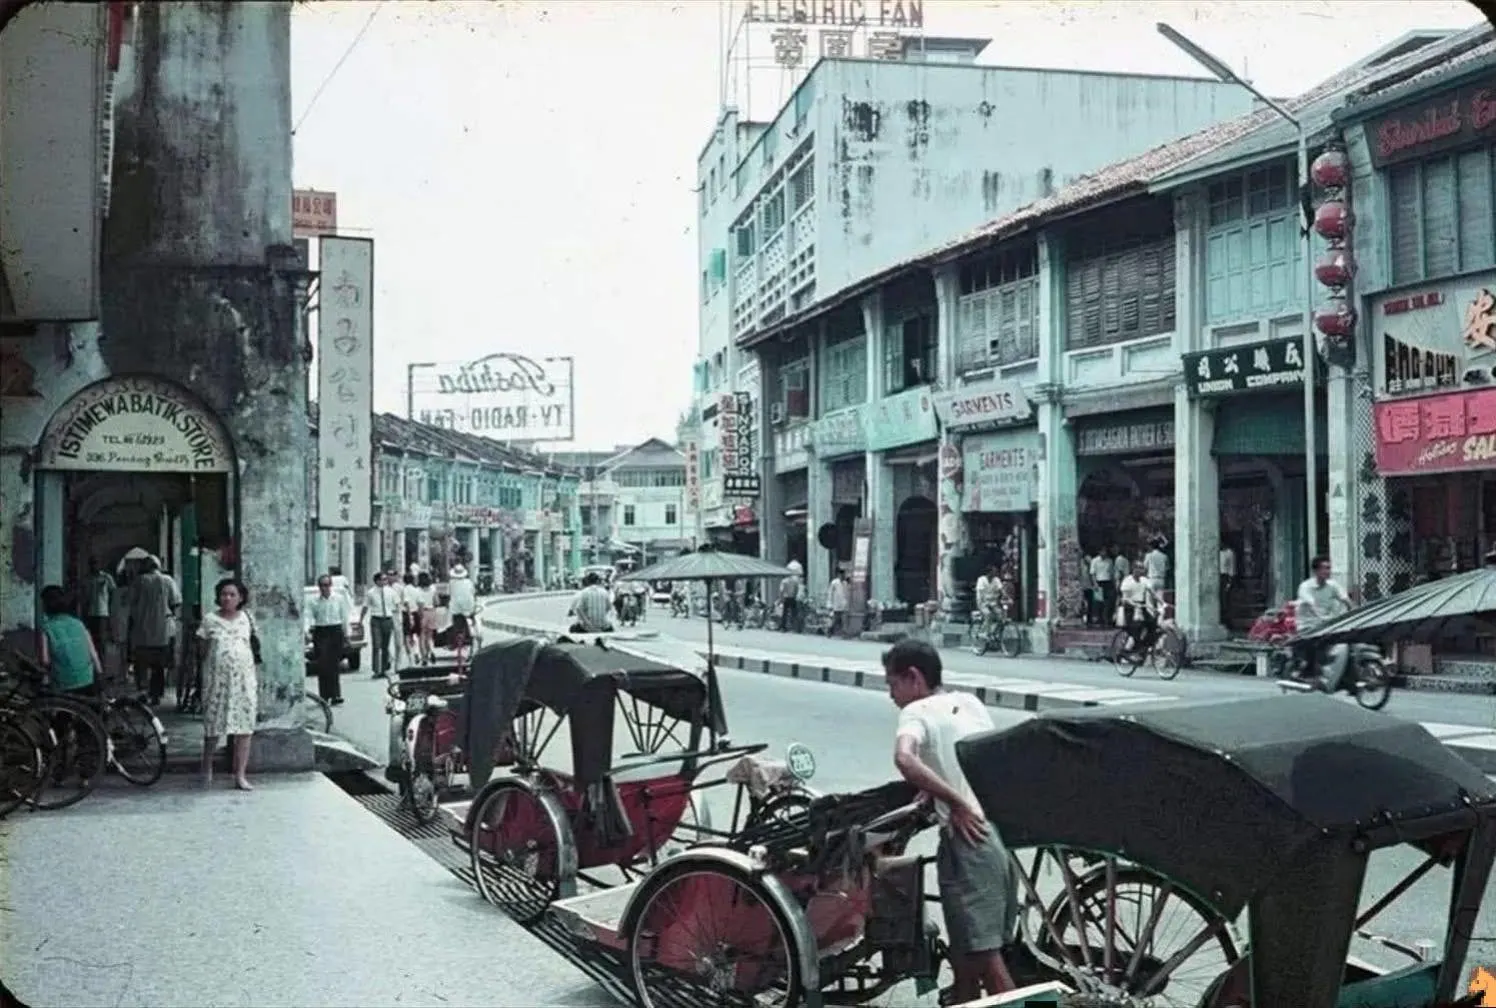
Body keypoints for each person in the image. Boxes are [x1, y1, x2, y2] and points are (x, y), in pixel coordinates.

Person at [884, 639, 1017, 1003]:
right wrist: (941, 788)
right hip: (999, 834)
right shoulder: (969, 702)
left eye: (892, 684)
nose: (891, 695)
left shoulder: (916, 712)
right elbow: (975, 759)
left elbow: (905, 759)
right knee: (967, 940)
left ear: (913, 677)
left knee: (984, 953)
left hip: (969, 840)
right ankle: (961, 995)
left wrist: (954, 801)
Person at [197, 578, 259, 790]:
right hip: (217, 682)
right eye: (224, 594)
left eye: (232, 594)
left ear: (240, 598)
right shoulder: (209, 620)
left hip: (243, 681)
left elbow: (251, 646)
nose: (227, 598)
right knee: (213, 727)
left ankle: (240, 775)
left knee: (244, 728)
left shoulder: (247, 618)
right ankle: (207, 767)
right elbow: (202, 650)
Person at [127, 555, 180, 706]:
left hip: (142, 629)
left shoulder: (139, 581)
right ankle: (156, 694)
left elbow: (130, 602)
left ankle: (143, 691)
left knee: (141, 662)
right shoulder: (167, 580)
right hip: (162, 629)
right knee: (159, 664)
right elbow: (176, 602)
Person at [1294, 556, 1352, 687]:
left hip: (1327, 623)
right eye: (1324, 568)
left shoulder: (1333, 585)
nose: (1328, 571)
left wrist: (1354, 612)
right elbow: (1312, 604)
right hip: (1308, 624)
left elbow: (1345, 599)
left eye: (1329, 568)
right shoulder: (1305, 587)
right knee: (1315, 643)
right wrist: (1321, 617)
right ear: (1316, 571)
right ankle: (1307, 670)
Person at [38, 585, 103, 698]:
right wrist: (100, 675)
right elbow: (93, 654)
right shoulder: (78, 624)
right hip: (87, 681)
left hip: (63, 683)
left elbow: (45, 660)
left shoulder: (46, 628)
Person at [307, 574, 350, 705]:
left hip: (335, 631)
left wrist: (346, 634)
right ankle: (324, 696)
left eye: (327, 585)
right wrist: (307, 631)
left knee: (334, 664)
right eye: (322, 585)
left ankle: (336, 695)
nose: (324, 588)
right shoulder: (313, 601)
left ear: (330, 586)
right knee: (322, 664)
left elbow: (344, 616)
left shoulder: (339, 599)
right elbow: (308, 616)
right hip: (321, 631)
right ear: (319, 587)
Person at [1118, 561, 1161, 657]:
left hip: (1142, 606)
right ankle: (1128, 650)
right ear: (1133, 569)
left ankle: (1144, 647)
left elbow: (1152, 593)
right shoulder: (1127, 581)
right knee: (1136, 628)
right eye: (1139, 568)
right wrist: (1133, 604)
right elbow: (1125, 598)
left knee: (1152, 624)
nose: (1141, 571)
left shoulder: (1144, 580)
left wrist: (1162, 602)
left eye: (1142, 569)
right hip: (1130, 608)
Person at [363, 571, 401, 679]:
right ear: (377, 581)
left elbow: (397, 604)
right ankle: (376, 670)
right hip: (376, 619)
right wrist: (361, 620)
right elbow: (365, 606)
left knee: (385, 645)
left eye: (386, 579)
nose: (385, 581)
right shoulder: (371, 593)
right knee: (376, 645)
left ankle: (384, 669)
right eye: (383, 579)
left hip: (387, 619)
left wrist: (397, 619)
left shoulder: (391, 592)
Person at [83, 559, 116, 647]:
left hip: (102, 611)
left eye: (95, 564)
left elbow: (113, 592)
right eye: (92, 564)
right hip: (91, 612)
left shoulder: (106, 577)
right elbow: (85, 595)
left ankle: (102, 657)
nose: (94, 566)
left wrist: (110, 606)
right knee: (92, 637)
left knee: (102, 638)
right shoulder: (87, 578)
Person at [447, 563, 477, 645]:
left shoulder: (451, 583)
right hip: (469, 607)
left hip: (456, 608)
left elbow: (449, 594)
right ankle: (471, 633)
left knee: (454, 620)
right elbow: (473, 593)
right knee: (471, 617)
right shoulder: (469, 582)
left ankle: (456, 637)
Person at [414, 572, 437, 665]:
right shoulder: (433, 588)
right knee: (430, 636)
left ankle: (424, 657)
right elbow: (437, 601)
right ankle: (431, 651)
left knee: (421, 637)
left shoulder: (417, 590)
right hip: (432, 612)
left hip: (422, 612)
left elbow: (419, 604)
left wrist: (419, 615)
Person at [1089, 549, 1115, 627]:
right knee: (1098, 602)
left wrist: (1113, 583)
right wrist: (1095, 584)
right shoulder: (1095, 560)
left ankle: (1105, 619)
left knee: (1107, 602)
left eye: (1105, 551)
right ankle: (1098, 619)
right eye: (1102, 551)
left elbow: (1111, 573)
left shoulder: (1109, 561)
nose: (1104, 553)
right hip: (1099, 582)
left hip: (1107, 582)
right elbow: (1092, 573)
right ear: (1099, 552)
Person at [778, 560, 803, 633]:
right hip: (793, 598)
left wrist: (780, 598)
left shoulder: (784, 581)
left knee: (785, 613)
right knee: (794, 613)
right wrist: (795, 596)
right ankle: (796, 628)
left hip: (786, 598)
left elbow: (781, 590)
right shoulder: (794, 581)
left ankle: (783, 627)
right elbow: (796, 589)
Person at [400, 572, 419, 659]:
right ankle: (416, 651)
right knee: (415, 633)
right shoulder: (416, 590)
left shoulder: (405, 590)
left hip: (407, 613)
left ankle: (410, 656)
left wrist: (409, 616)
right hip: (416, 612)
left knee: (406, 635)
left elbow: (406, 603)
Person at [826, 569, 849, 637]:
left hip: (843, 604)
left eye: (843, 575)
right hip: (836, 604)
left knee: (844, 619)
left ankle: (844, 633)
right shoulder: (834, 582)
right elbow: (830, 593)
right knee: (835, 620)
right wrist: (830, 603)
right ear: (839, 575)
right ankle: (829, 631)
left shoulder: (845, 583)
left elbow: (846, 593)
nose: (842, 576)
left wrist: (846, 602)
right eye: (841, 575)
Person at [1219, 540, 1236, 622]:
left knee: (1225, 599)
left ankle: (1226, 619)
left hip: (1224, 577)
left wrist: (1229, 581)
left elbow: (1231, 568)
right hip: (1216, 576)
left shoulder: (1229, 552)